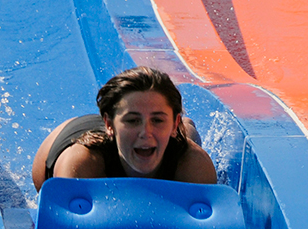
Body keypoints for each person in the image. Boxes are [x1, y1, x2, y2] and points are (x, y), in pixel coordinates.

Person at [31, 66, 218, 190]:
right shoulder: (82, 165)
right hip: (81, 135)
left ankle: (182, 124)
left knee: (187, 140)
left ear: (174, 123)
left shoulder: (193, 165)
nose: (146, 132)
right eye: (133, 121)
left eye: (158, 120)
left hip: (156, 137)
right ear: (109, 124)